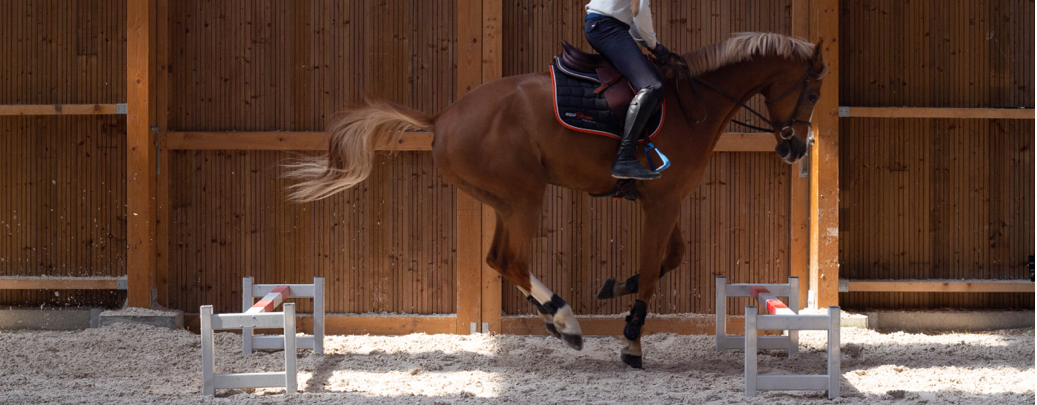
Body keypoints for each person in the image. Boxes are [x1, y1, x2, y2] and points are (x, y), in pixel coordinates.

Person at [584, 0, 670, 180]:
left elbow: (630, 21)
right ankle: (624, 157)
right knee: (652, 86)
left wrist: (654, 44)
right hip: (608, 28)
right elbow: (640, 12)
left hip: (604, 25)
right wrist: (653, 45)